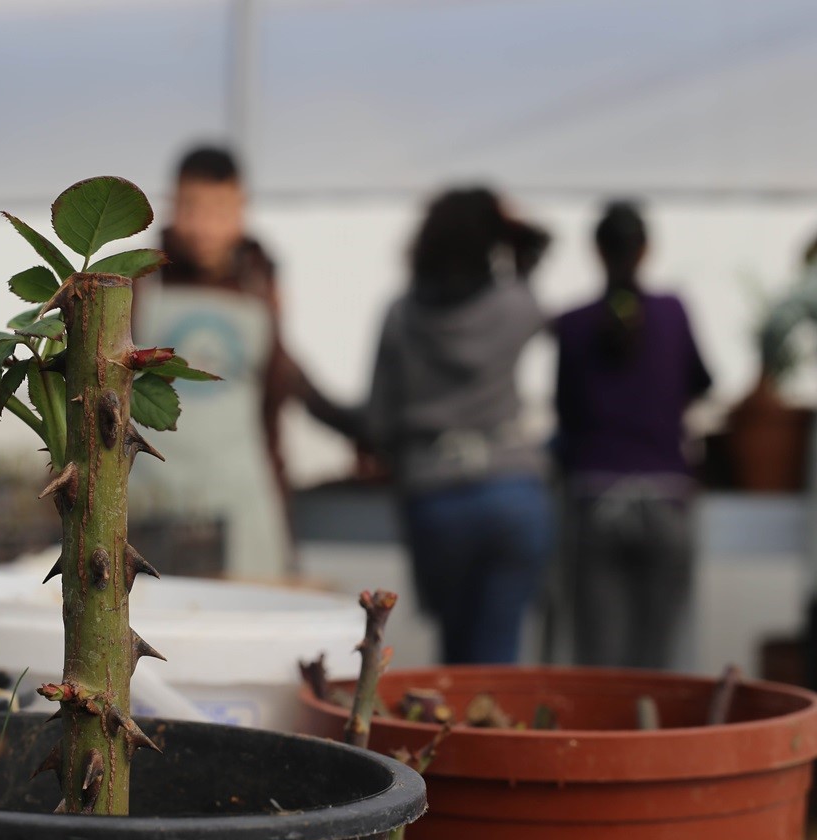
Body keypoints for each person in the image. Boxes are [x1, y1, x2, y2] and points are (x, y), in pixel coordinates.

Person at [134, 146, 346, 581]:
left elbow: (275, 399)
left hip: (241, 499)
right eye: (192, 207)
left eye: (219, 210)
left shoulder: (259, 285)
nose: (204, 227)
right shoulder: (140, 280)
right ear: (173, 204)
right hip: (153, 500)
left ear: (241, 208)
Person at [363, 186, 554, 664]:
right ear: (491, 241)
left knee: (457, 654)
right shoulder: (516, 306)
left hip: (435, 495)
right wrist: (510, 226)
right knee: (499, 655)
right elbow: (540, 245)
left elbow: (377, 421)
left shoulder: (401, 314)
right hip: (512, 490)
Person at [555, 200, 712, 670]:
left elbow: (566, 413)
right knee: (661, 664)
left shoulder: (573, 322)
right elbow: (702, 383)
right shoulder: (673, 312)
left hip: (595, 499)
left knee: (600, 667)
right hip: (665, 500)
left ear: (595, 251)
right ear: (646, 250)